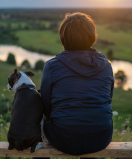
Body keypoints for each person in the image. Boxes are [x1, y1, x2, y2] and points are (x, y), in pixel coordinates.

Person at [40, 12, 114, 156]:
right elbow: (108, 98)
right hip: (101, 136)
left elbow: (46, 105)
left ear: (63, 37)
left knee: (39, 122)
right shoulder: (106, 65)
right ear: (92, 36)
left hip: (64, 137)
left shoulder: (52, 66)